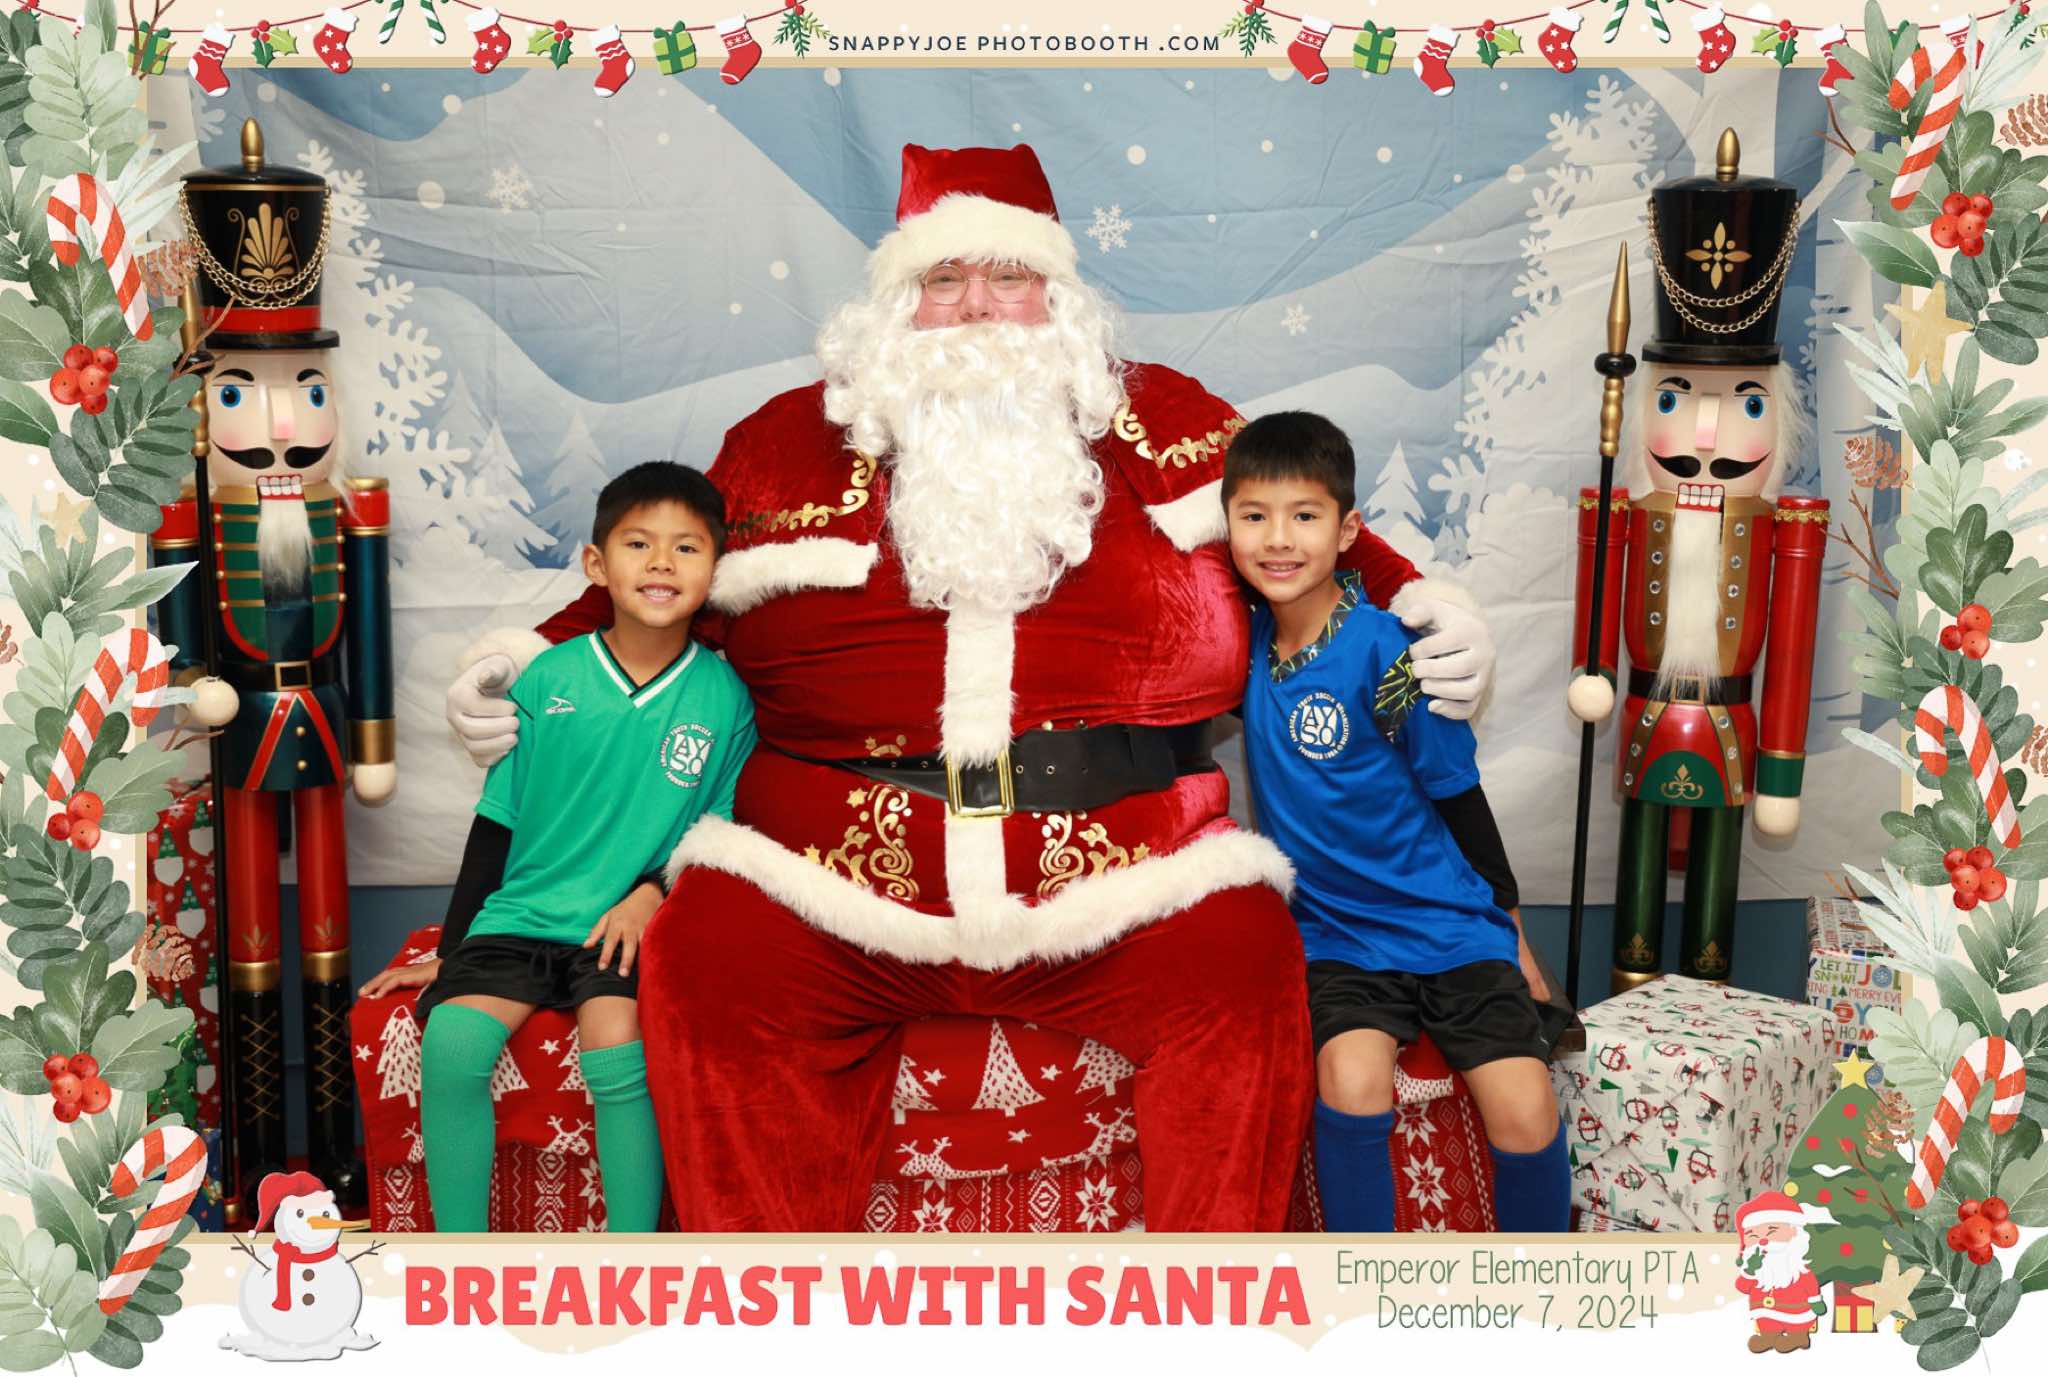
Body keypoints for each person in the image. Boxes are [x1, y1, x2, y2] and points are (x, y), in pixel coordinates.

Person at [443, 144, 1500, 1231]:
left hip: (1129, 875)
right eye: (943, 279)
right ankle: (778, 1307)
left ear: (1057, 294)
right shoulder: (784, 442)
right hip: (826, 880)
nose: (978, 306)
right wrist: (527, 656)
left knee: (1240, 963)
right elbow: (655, 579)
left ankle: (1205, 1305)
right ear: (897, 301)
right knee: (710, 959)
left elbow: (1305, 532)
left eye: (1008, 275)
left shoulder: (1165, 422)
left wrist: (1426, 606)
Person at [363, 462, 755, 1231]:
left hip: (620, 927)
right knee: (452, 1044)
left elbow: (716, 837)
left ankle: (630, 1262)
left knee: (617, 1047)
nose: (662, 563)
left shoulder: (724, 697)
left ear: (716, 570)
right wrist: (453, 949)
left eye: (686, 547)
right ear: (596, 564)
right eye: (639, 543)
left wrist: (651, 895)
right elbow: (497, 820)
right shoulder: (548, 678)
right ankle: (463, 1260)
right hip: (523, 916)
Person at [1225, 411, 1567, 1233]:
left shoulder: (1391, 654)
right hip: (1337, 936)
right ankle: (1361, 1289)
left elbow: (1456, 791)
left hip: (1449, 924)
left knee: (1526, 1109)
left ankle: (1544, 1293)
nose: (1279, 538)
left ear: (1347, 531)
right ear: (1228, 524)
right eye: (1255, 515)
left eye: (1305, 515)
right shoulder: (1241, 647)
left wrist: (1514, 932)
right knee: (1351, 1081)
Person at [1733, 1190, 1826, 1352]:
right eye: (1753, 1236)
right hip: (1765, 1312)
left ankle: (1798, 1337)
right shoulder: (1756, 1267)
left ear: (1794, 1231)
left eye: (1772, 1232)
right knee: (1767, 1324)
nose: (1763, 1241)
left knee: (1797, 1326)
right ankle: (1768, 1337)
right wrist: (1750, 1270)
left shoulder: (1797, 1268)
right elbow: (1742, 1286)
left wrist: (1815, 1301)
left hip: (1796, 1313)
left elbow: (1810, 1283)